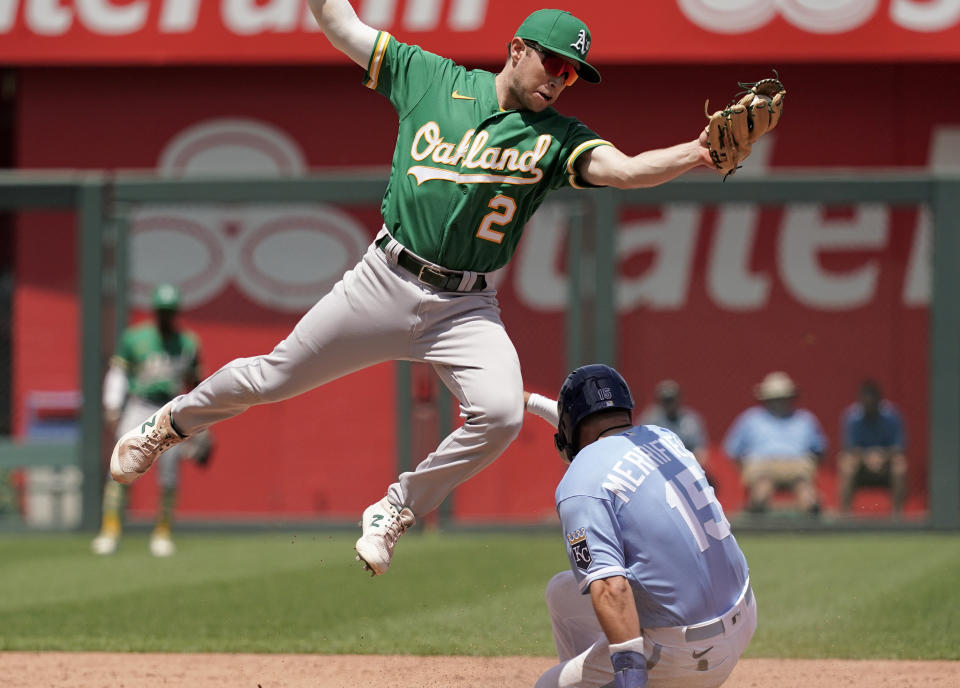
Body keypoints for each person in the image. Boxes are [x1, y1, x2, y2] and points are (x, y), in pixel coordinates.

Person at [109, 1, 720, 577]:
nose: (561, 79)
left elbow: (628, 170)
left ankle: (396, 506)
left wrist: (697, 152)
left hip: (466, 305)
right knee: (273, 376)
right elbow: (344, 28)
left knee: (502, 414)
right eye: (553, 63)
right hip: (384, 278)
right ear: (516, 49)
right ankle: (165, 428)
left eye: (572, 73)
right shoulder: (430, 77)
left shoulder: (557, 136)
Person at [436, 365, 772, 688]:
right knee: (563, 592)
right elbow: (593, 429)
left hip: (684, 654)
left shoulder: (580, 482)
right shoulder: (664, 439)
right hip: (740, 618)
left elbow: (611, 587)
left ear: (570, 424)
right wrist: (528, 401)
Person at [92, 284, 210, 557]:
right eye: (162, 311)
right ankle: (110, 531)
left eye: (170, 312)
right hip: (139, 405)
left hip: (169, 407)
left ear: (176, 312)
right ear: (155, 312)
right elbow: (118, 373)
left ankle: (162, 532)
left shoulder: (188, 342)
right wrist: (112, 407)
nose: (166, 316)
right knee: (120, 470)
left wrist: (202, 423)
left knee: (168, 474)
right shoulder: (135, 338)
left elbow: (195, 384)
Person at [723, 371, 827, 516]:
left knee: (807, 495)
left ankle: (812, 523)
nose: (779, 403)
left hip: (797, 465)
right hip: (762, 465)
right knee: (761, 491)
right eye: (774, 399)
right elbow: (733, 450)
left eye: (782, 398)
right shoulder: (750, 419)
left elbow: (819, 450)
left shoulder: (805, 419)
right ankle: (756, 516)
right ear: (766, 399)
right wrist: (747, 470)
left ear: (790, 398)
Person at [837, 380, 908, 517]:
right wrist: (868, 457)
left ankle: (897, 516)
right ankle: (845, 516)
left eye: (872, 401)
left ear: (879, 400)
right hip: (861, 466)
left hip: (886, 465)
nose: (869, 404)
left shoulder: (892, 416)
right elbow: (850, 448)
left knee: (900, 465)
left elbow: (899, 448)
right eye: (865, 401)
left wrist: (881, 456)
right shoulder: (852, 417)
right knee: (846, 463)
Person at [638, 379, 709, 468]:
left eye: (671, 399)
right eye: (665, 400)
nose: (669, 404)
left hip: (685, 467)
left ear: (679, 399)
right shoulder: (650, 419)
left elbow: (701, 454)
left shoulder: (691, 421)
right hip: (657, 466)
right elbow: (640, 447)